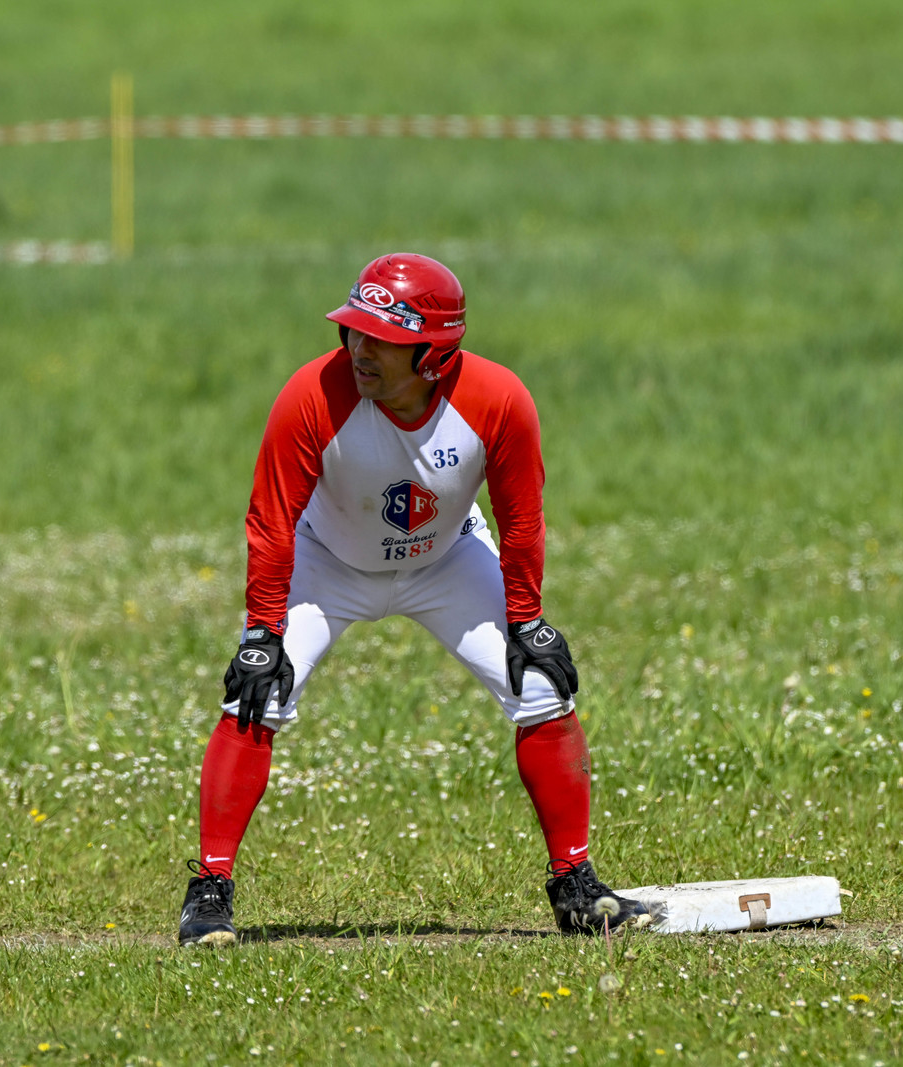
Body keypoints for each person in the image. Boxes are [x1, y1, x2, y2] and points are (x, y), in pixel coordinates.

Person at [178, 253, 650, 947]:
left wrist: (527, 618)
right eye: (354, 332)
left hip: (446, 556)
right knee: (257, 694)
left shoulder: (498, 398)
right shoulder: (312, 393)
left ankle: (574, 884)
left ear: (432, 354)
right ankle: (210, 891)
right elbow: (271, 519)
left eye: (383, 340)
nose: (359, 349)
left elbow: (522, 519)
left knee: (543, 687)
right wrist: (262, 629)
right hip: (327, 560)